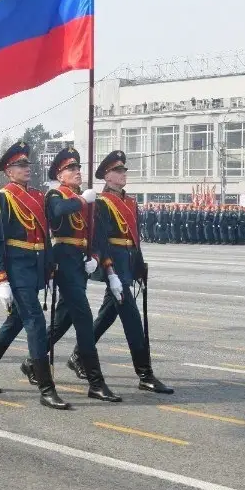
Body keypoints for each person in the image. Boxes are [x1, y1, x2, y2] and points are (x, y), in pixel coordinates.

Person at [17, 148, 121, 402]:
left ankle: (32, 362)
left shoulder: (85, 198)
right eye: (70, 169)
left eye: (78, 168)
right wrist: (82, 201)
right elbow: (57, 212)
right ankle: (95, 382)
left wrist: (94, 257)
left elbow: (95, 234)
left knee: (64, 319)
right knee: (84, 319)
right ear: (60, 175)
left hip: (80, 262)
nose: (76, 172)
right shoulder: (56, 194)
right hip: (63, 260)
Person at [0, 141, 69, 410]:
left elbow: (45, 236)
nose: (27, 168)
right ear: (8, 171)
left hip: (35, 267)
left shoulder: (37, 197)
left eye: (27, 164)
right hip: (16, 270)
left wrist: (49, 267)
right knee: (35, 323)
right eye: (20, 165)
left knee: (16, 322)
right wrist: (1, 279)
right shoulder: (2, 198)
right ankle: (46, 387)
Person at [87, 150, 172, 394]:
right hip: (113, 266)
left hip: (128, 263)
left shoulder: (131, 202)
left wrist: (139, 266)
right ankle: (145, 373)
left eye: (124, 171)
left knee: (107, 315)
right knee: (133, 320)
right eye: (118, 171)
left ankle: (79, 354)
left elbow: (134, 238)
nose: (123, 175)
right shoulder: (102, 203)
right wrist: (111, 272)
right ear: (106, 176)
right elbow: (101, 241)